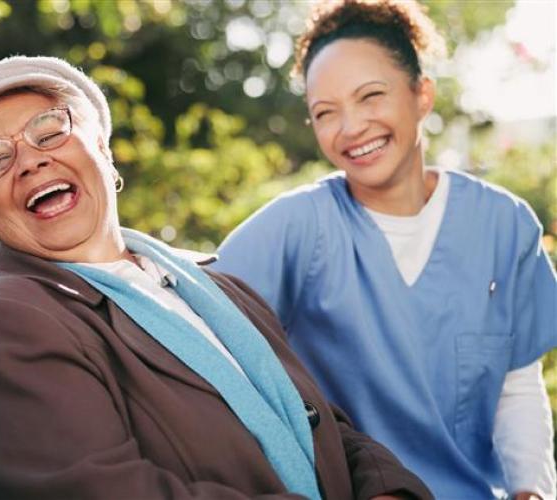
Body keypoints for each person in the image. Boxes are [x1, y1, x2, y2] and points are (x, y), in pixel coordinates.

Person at [0, 55, 431, 499]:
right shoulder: (2, 325)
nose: (31, 161)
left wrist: (388, 490)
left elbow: (322, 427)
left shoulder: (214, 284)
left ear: (101, 145)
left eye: (50, 131)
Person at [211, 1, 557, 498]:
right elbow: (196, 328)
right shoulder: (295, 229)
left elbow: (514, 387)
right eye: (325, 113)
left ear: (422, 95)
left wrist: (532, 490)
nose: (351, 128)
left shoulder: (503, 226)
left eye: (370, 96)